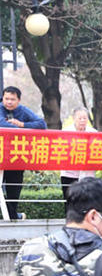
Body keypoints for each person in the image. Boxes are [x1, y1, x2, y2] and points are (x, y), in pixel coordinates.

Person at [0, 86, 46, 220]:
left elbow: (41, 124)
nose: (8, 102)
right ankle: (14, 216)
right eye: (6, 99)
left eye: (12, 99)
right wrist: (16, 128)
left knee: (14, 190)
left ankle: (13, 216)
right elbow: (2, 124)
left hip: (16, 156)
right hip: (1, 155)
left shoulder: (23, 110)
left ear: (18, 100)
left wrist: (22, 125)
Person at [60, 107, 98, 203]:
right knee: (70, 201)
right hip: (69, 173)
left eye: (84, 118)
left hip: (88, 174)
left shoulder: (94, 133)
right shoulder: (65, 132)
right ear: (74, 118)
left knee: (87, 201)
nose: (82, 121)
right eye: (79, 118)